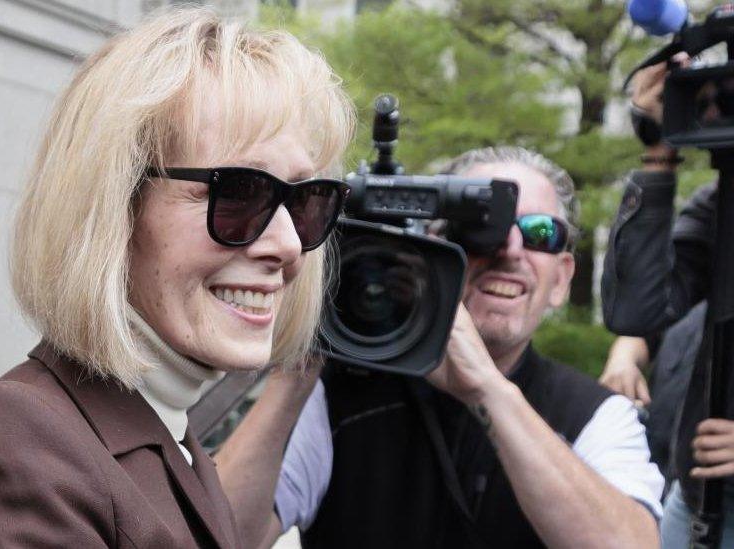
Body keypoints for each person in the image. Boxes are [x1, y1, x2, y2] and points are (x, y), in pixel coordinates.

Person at [0, 7, 354, 548]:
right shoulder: (13, 442)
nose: (287, 245)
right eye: (239, 194)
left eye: (306, 201)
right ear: (114, 207)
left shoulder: (174, 442)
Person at [222, 146, 664, 548]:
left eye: (539, 232)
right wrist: (303, 354)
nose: (510, 249)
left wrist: (488, 390)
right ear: (433, 248)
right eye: (482, 228)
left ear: (562, 280)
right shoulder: (339, 395)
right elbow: (220, 536)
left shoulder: (596, 414)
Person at [601, 58, 734, 547]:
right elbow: (636, 311)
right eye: (713, 97)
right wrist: (659, 152)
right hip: (696, 499)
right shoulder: (721, 206)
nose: (720, 111)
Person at [599, 302, 706, 482]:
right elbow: (640, 334)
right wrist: (622, 360)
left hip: (709, 485)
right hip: (654, 465)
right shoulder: (693, 287)